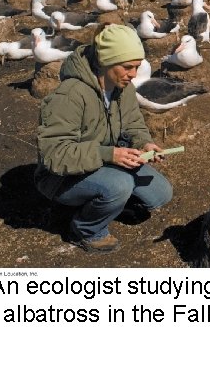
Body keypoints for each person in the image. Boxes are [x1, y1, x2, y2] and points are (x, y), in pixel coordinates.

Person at [34, 24, 173, 253]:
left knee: (160, 194)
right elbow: (54, 153)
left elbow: (133, 123)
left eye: (137, 67)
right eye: (128, 67)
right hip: (60, 176)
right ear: (106, 62)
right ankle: (85, 230)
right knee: (119, 185)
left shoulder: (122, 87)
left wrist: (144, 144)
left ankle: (107, 203)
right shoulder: (70, 95)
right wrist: (109, 154)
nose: (134, 74)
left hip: (104, 161)